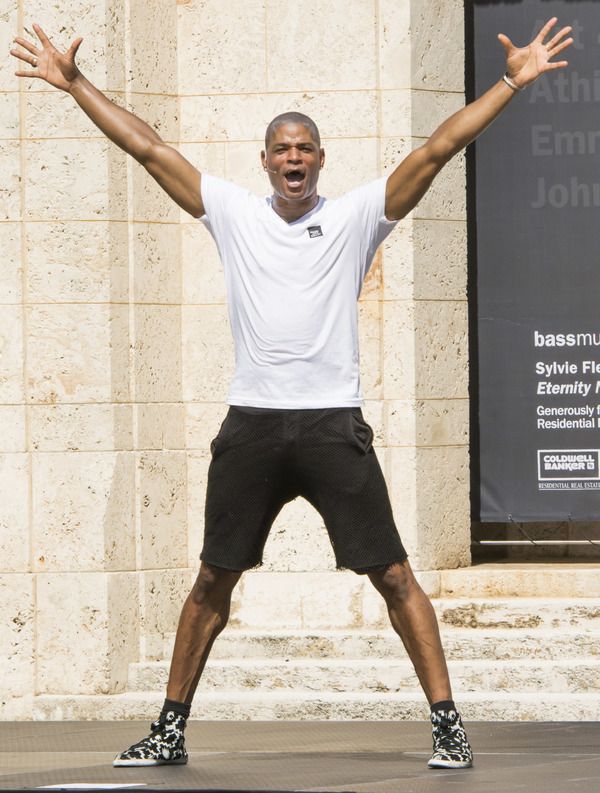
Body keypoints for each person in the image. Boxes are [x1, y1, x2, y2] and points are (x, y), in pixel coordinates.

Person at [12, 17, 572, 771]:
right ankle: (169, 728)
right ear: (266, 161)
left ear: (319, 159)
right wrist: (75, 82)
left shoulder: (354, 217)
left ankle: (447, 723)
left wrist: (509, 81)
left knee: (395, 575)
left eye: (305, 148)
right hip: (252, 426)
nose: (294, 158)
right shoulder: (233, 213)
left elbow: (438, 148)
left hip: (332, 427)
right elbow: (146, 147)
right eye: (282, 149)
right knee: (213, 576)